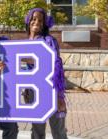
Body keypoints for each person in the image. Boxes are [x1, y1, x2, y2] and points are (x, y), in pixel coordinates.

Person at [23, 7, 68, 139]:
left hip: (50, 89)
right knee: (37, 131)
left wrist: (60, 96)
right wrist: (25, 89)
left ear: (45, 23)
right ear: (28, 20)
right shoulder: (24, 43)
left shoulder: (49, 41)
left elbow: (56, 67)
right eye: (34, 19)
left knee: (58, 130)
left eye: (40, 20)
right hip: (33, 91)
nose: (36, 22)